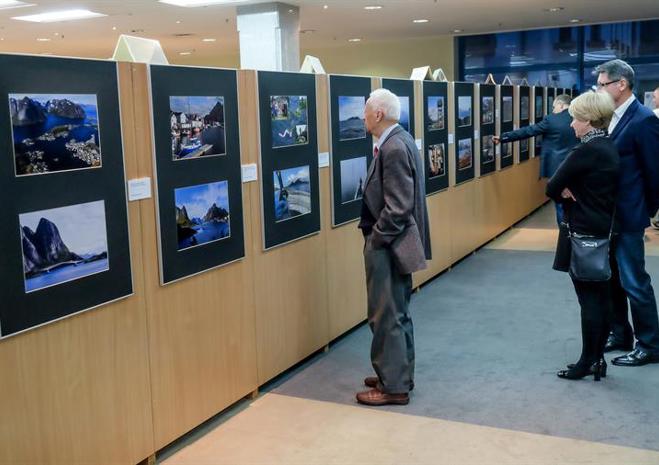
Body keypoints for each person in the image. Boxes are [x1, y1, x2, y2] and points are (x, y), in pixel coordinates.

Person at [356, 88, 431, 406]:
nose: (362, 116)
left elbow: (398, 206)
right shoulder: (399, 140)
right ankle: (396, 374)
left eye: (365, 110)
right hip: (394, 244)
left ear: (378, 114)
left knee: (386, 315)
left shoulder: (394, 147)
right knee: (396, 312)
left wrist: (377, 238)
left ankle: (394, 387)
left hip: (390, 246)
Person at [546, 91, 619, 380]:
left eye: (575, 118)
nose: (571, 124)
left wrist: (565, 189)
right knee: (600, 298)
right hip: (602, 229)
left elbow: (552, 187)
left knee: (588, 300)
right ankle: (596, 359)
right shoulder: (607, 146)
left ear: (588, 120)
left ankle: (588, 361)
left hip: (583, 233)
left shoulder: (585, 151)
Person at [595, 59, 659, 366]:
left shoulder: (643, 119)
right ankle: (620, 333)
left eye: (602, 84)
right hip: (609, 215)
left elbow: (654, 172)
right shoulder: (611, 116)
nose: (598, 89)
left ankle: (650, 344)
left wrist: (643, 210)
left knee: (634, 281)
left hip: (629, 215)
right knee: (611, 279)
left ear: (621, 84)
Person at [494, 94, 578, 225]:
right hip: (577, 168)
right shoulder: (579, 117)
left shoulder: (551, 120)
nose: (553, 110)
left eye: (554, 107)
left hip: (557, 168)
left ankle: (565, 233)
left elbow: (528, 131)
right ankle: (575, 231)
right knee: (575, 200)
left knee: (560, 203)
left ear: (561, 105)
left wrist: (503, 137)